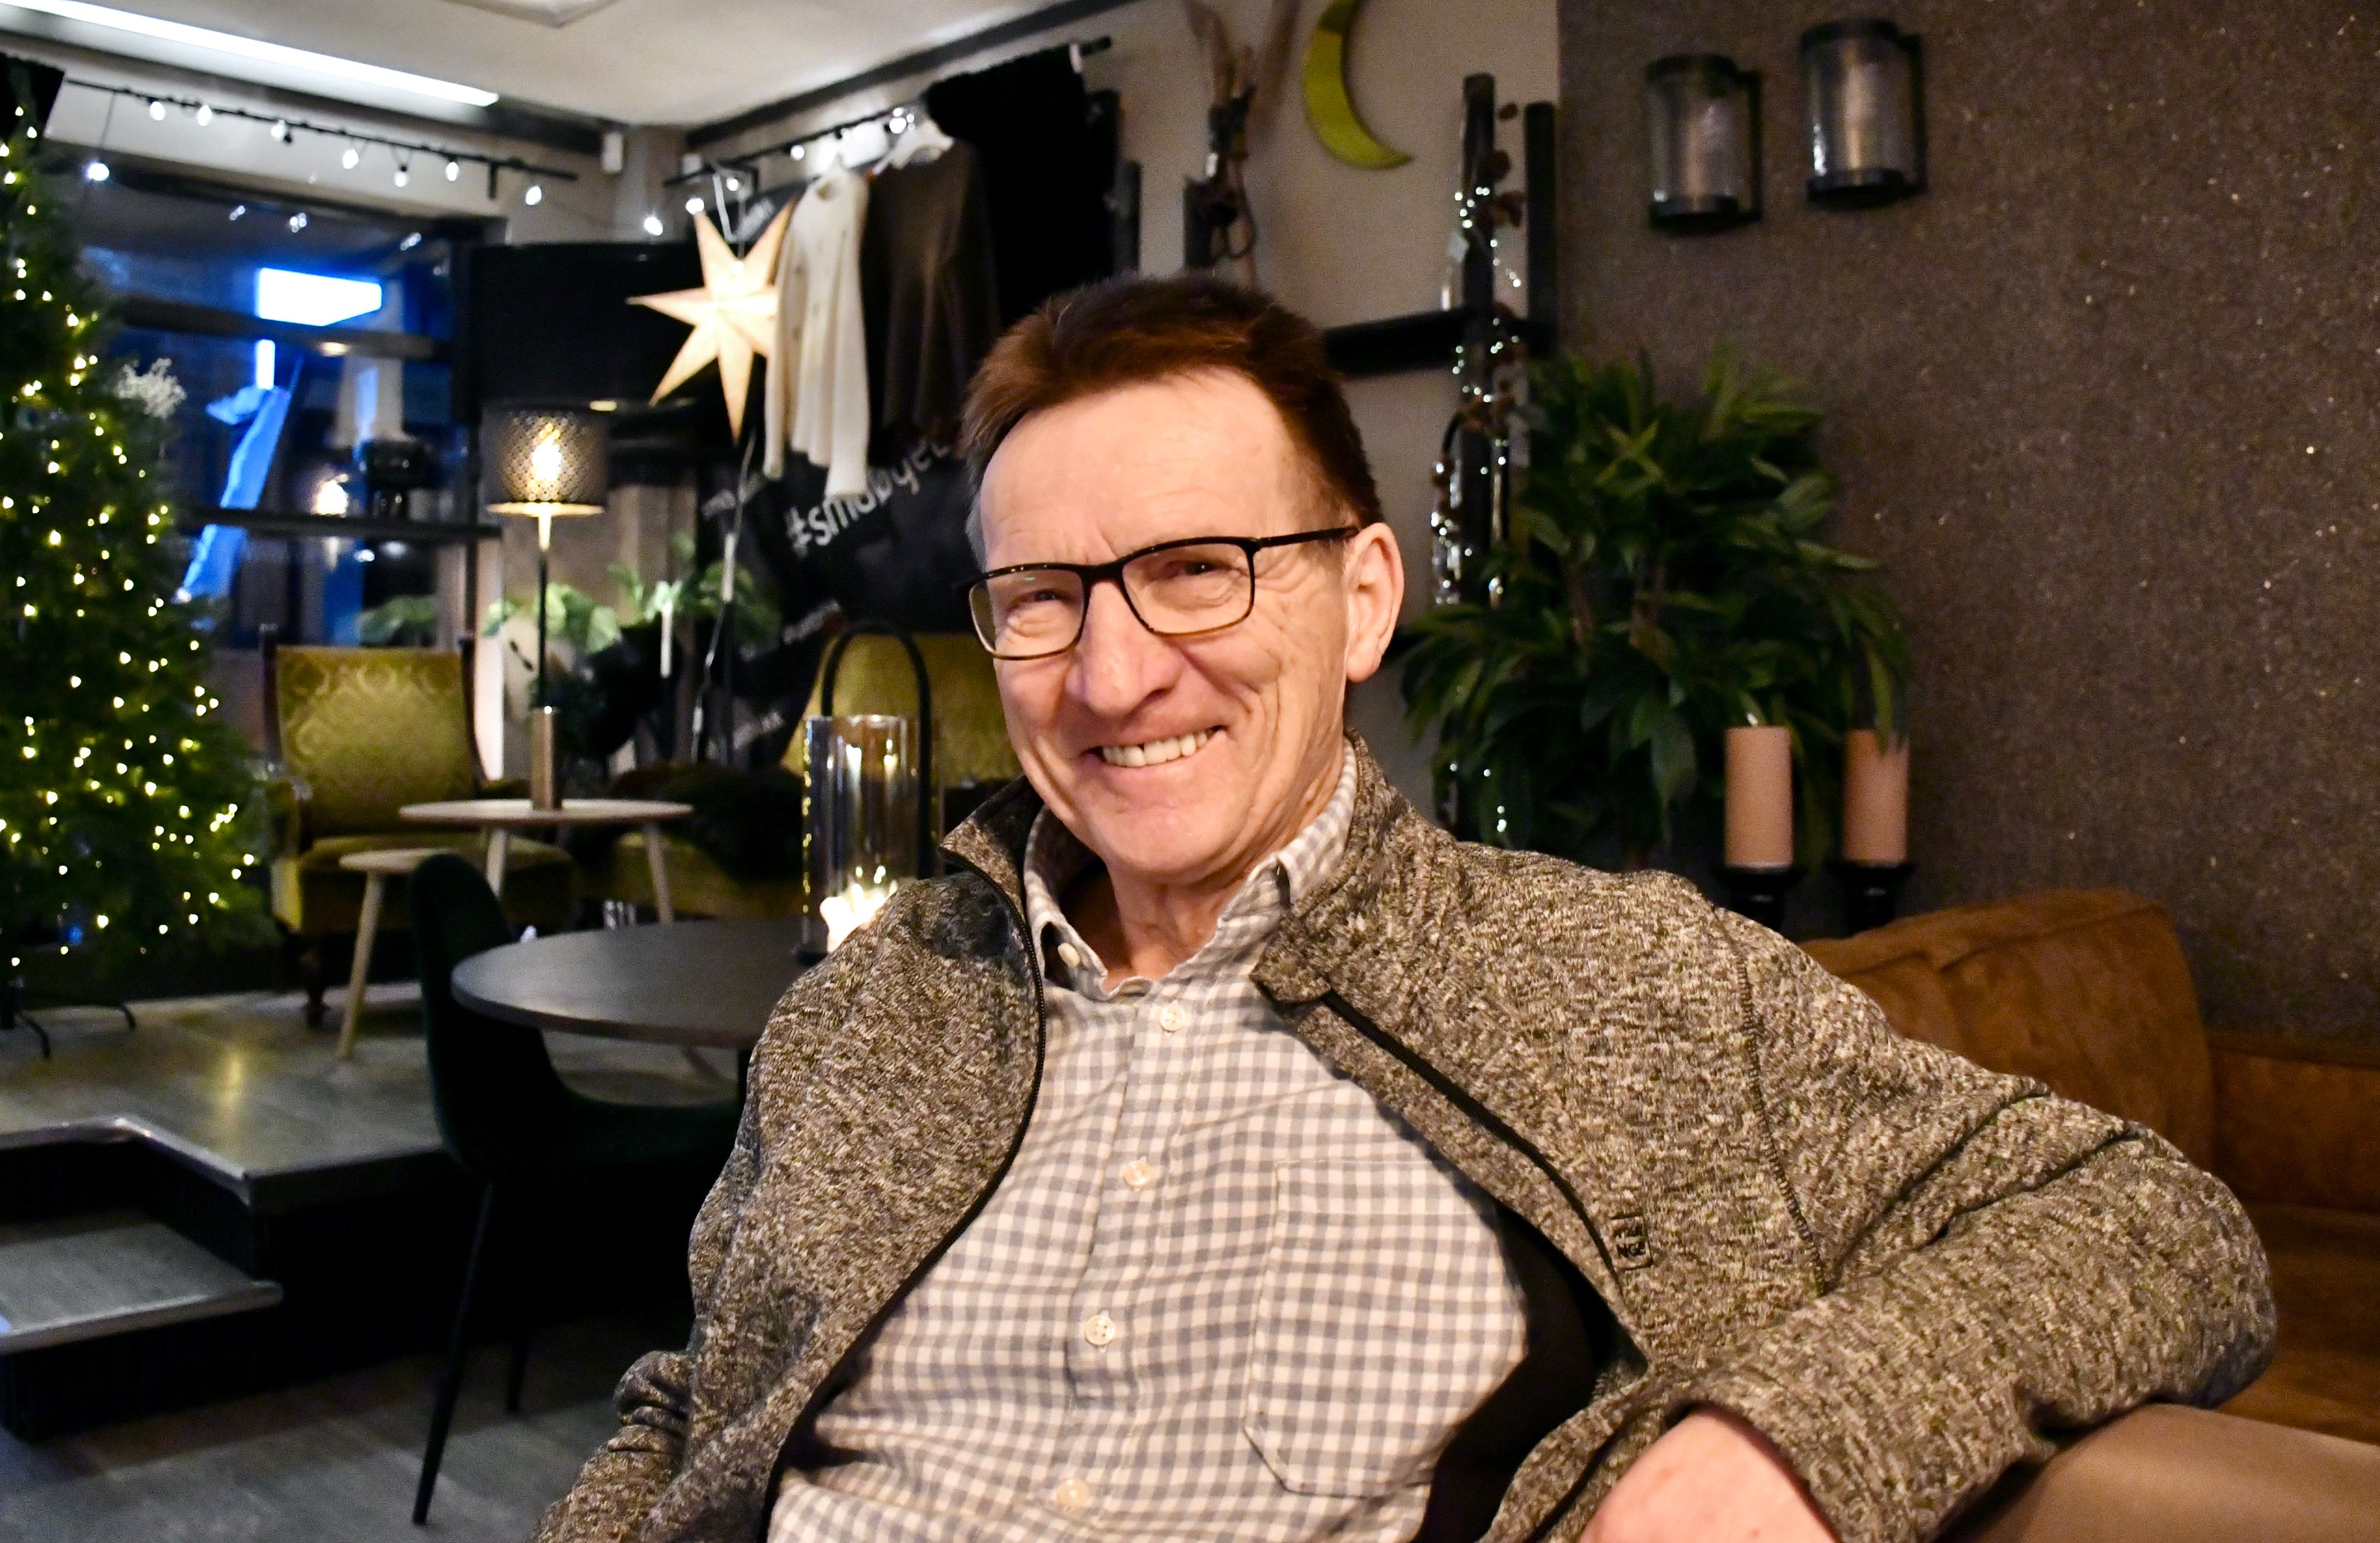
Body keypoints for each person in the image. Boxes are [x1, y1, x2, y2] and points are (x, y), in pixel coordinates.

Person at [533, 275, 2271, 1543]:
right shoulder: (869, 1011)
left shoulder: (1617, 986)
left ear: (1364, 597)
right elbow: (692, 1409)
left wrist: (1796, 1433)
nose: (1117, 675)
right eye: (1045, 598)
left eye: (1198, 570)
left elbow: (2153, 1226)